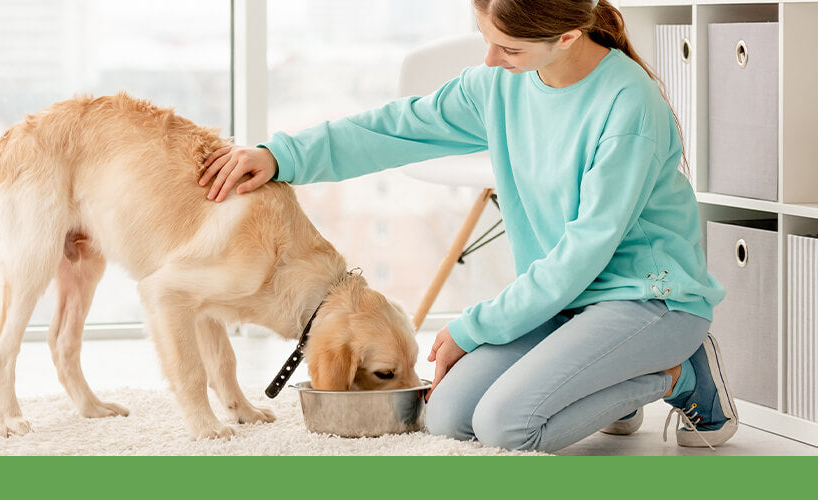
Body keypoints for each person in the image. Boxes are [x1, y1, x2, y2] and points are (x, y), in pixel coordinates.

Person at [198, 0, 737, 453]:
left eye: (509, 48)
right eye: (485, 37)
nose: (490, 58)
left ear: (569, 35)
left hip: (648, 300)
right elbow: (395, 128)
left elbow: (581, 256)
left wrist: (472, 326)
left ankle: (679, 374)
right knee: (448, 419)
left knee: (508, 427)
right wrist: (280, 155)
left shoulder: (627, 107)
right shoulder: (500, 86)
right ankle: (605, 375)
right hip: (562, 303)